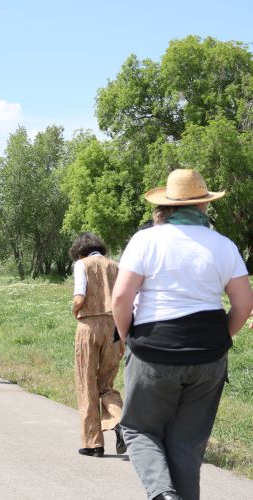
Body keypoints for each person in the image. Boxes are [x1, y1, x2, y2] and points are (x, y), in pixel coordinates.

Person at [112, 169, 253, 500]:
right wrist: (221, 342)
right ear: (204, 205)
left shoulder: (146, 240)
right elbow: (244, 306)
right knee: (186, 444)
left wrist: (127, 337)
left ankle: (162, 494)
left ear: (165, 207)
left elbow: (120, 298)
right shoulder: (224, 245)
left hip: (153, 348)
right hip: (208, 353)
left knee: (137, 427)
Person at [69, 232, 125, 458]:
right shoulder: (116, 266)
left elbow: (80, 296)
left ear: (80, 251)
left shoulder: (81, 264)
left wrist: (74, 310)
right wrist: (122, 336)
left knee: (86, 383)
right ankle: (121, 421)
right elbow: (123, 301)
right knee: (106, 384)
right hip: (113, 327)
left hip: (89, 327)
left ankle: (93, 444)